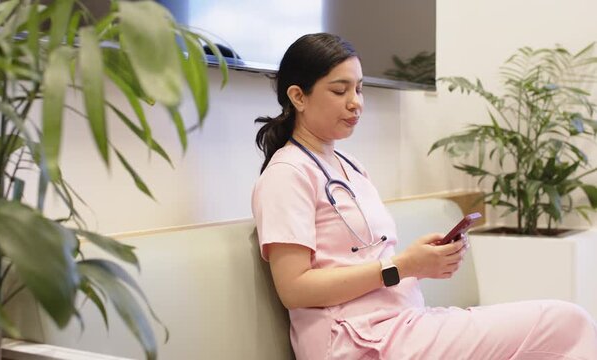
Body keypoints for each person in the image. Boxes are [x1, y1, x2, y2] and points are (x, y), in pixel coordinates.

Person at [251, 32, 597, 360]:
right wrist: (402, 266)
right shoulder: (287, 174)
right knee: (566, 323)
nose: (355, 102)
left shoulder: (348, 165)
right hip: (354, 342)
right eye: (340, 90)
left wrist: (422, 264)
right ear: (298, 96)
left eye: (359, 88)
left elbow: (365, 257)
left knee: (557, 332)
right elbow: (294, 288)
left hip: (401, 324)